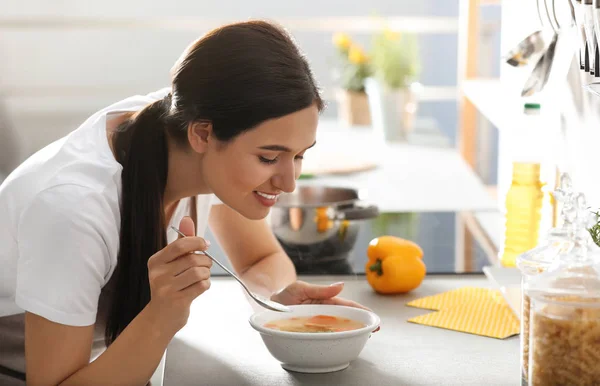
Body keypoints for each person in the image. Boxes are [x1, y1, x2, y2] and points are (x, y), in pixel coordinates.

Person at [0, 20, 369, 385]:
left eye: (300, 155)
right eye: (270, 158)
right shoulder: (74, 210)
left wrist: (273, 301)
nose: (289, 183)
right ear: (202, 134)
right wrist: (163, 315)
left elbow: (260, 259)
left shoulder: (188, 129)